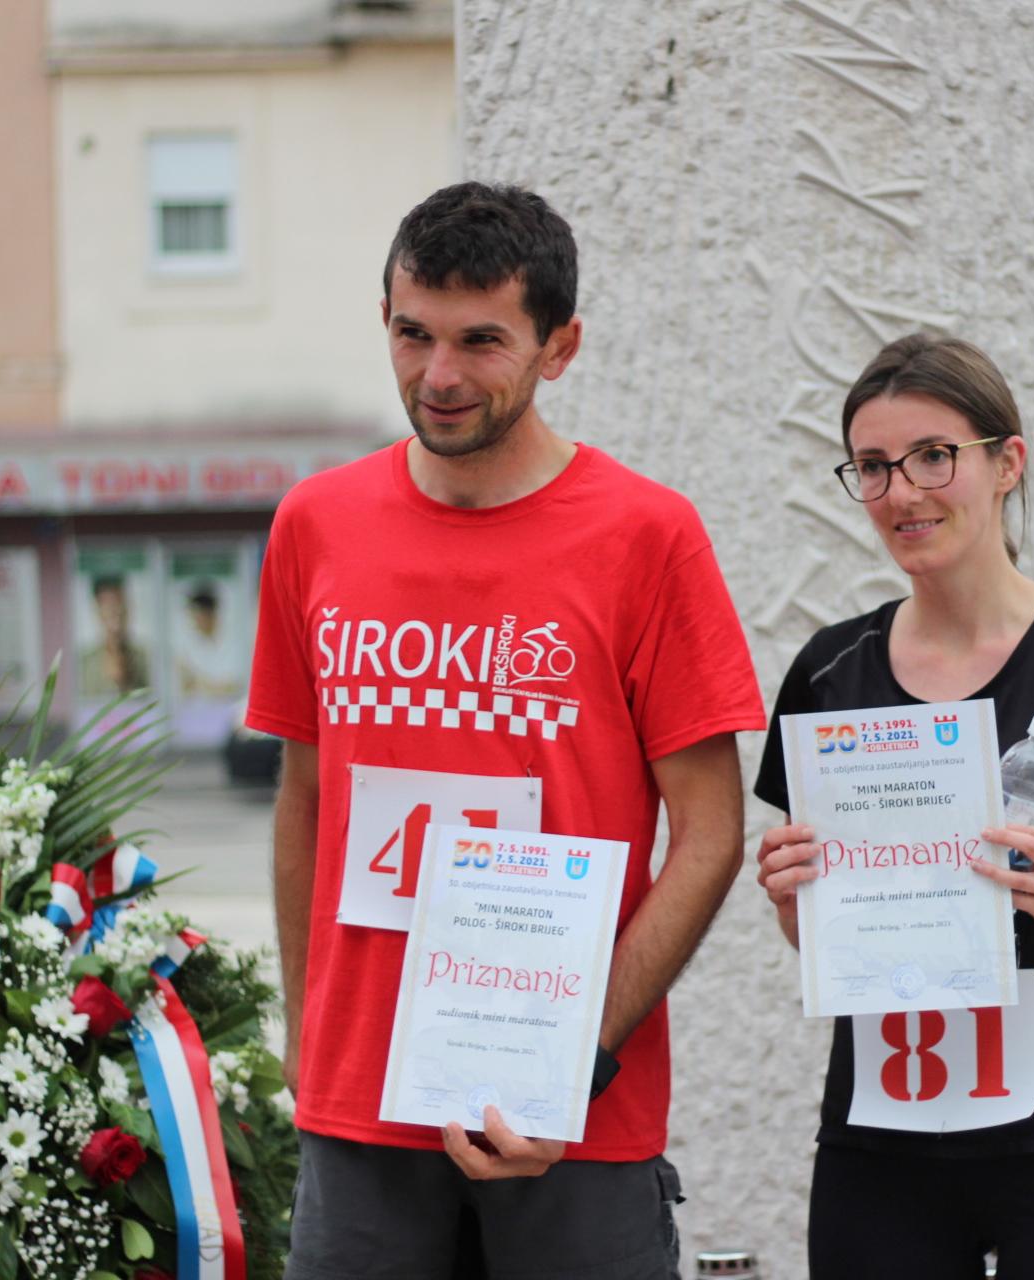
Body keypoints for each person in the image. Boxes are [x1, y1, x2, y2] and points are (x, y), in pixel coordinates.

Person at [247, 182, 766, 1280]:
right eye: (411, 333)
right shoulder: (314, 524)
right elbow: (307, 794)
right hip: (360, 1106)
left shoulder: (648, 535)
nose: (438, 375)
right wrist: (309, 1034)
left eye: (482, 340)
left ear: (560, 345)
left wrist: (579, 1047)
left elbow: (710, 832)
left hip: (564, 1112)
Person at [752, 334, 1034, 1280]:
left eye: (934, 456)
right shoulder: (828, 671)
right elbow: (832, 937)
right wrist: (794, 904)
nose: (903, 492)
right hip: (884, 1136)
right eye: (874, 467)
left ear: (1008, 463)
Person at [77, 575, 151, 697]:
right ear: (97, 610)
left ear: (128, 608)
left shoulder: (149, 659)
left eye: (118, 602)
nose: (115, 610)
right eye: (107, 604)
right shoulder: (82, 665)